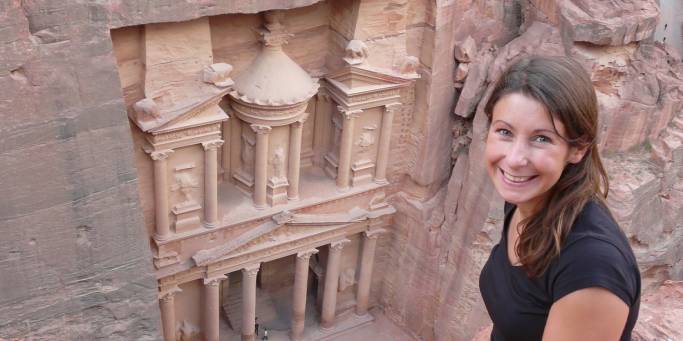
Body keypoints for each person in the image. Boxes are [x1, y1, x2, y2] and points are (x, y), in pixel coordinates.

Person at [479, 55, 641, 341]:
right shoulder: (527, 200)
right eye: (504, 131)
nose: (515, 159)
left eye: (541, 138)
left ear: (578, 149)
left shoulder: (591, 266)